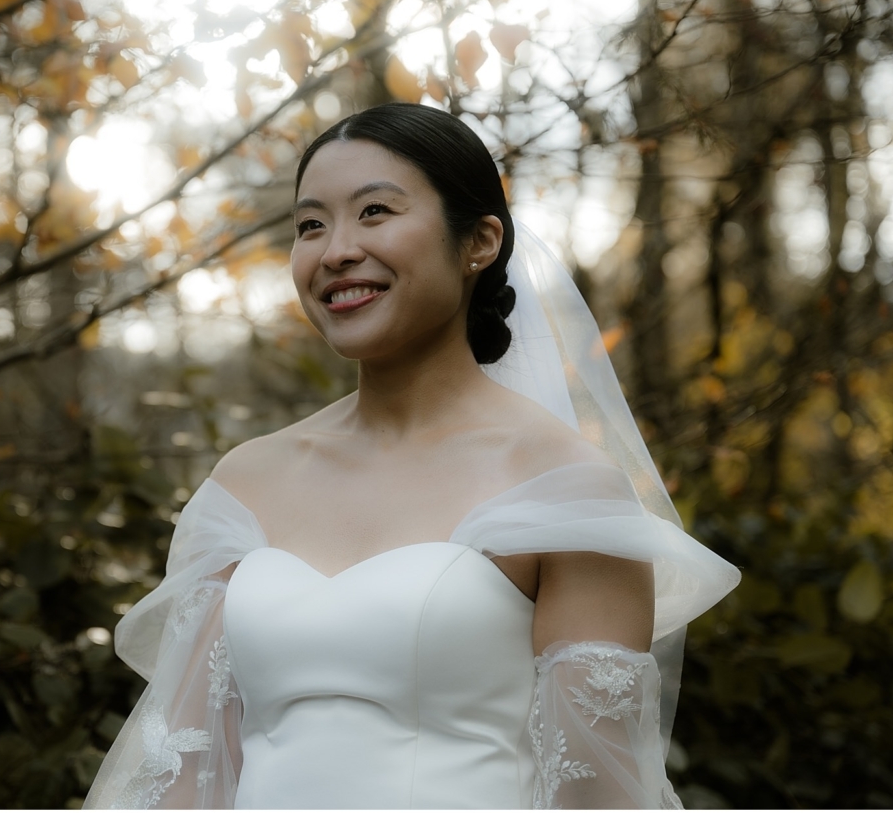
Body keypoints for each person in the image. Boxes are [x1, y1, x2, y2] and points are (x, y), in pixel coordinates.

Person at [84, 103, 740, 809]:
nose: (335, 249)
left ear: (480, 242)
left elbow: (598, 793)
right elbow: (183, 770)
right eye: (311, 224)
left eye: (375, 212)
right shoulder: (246, 483)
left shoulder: (563, 489)